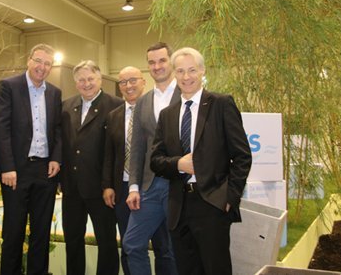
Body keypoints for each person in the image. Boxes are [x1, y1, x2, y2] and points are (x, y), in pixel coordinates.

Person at [150, 47, 252, 275]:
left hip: (213, 203)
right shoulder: (167, 115)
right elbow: (155, 161)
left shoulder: (221, 104)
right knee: (187, 269)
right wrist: (178, 164)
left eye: (192, 70)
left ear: (202, 71)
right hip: (178, 205)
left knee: (216, 269)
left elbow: (242, 155)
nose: (186, 77)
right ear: (174, 74)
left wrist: (229, 197)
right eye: (180, 71)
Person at [0, 44, 62, 275]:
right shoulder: (9, 87)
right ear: (29, 60)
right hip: (16, 172)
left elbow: (58, 130)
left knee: (41, 232)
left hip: (45, 171)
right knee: (13, 231)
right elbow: (1, 128)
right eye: (38, 61)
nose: (42, 67)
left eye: (47, 63)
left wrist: (56, 159)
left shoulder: (54, 92)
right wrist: (7, 166)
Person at [60, 60, 123, 275]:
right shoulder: (66, 106)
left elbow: (116, 151)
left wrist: (110, 184)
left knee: (106, 242)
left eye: (90, 79)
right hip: (72, 188)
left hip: (102, 189)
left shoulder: (116, 105)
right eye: (81, 80)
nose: (86, 84)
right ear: (75, 83)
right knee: (73, 241)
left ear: (100, 79)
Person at [123, 42, 179, 275]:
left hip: (179, 185)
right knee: (132, 244)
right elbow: (136, 149)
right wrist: (133, 187)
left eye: (162, 60)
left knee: (175, 248)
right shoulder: (143, 102)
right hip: (149, 186)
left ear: (171, 62)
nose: (157, 66)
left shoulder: (188, 95)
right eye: (152, 62)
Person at [102, 66, 146, 275]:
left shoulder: (157, 110)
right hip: (122, 188)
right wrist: (108, 186)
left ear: (143, 81)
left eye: (133, 80)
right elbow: (108, 155)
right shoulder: (113, 116)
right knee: (128, 244)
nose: (128, 86)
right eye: (123, 82)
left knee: (163, 245)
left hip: (151, 186)